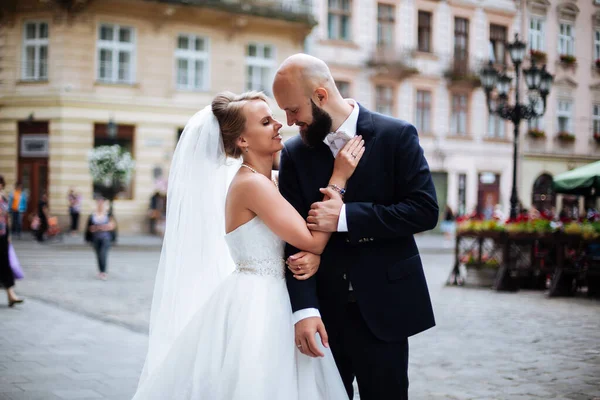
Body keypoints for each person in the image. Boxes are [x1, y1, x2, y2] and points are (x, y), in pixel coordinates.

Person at [133, 92, 365, 399]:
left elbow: (298, 239)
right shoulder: (251, 185)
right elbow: (311, 240)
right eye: (267, 121)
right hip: (260, 304)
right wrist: (338, 178)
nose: (279, 124)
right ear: (242, 140)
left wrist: (313, 256)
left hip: (274, 294)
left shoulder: (271, 180)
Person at [273, 54, 438, 399]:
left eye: (293, 110)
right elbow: (291, 240)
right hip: (325, 314)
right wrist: (303, 310)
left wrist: (345, 218)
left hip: (385, 309)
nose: (289, 122)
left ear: (320, 96)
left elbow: (424, 210)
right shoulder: (294, 153)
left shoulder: (397, 135)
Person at [0, 175, 24, 307]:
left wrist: (8, 235)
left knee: (5, 265)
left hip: (2, 236)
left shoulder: (3, 198)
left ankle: (11, 295)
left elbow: (6, 217)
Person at [85, 197, 116, 281]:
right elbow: (89, 228)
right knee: (98, 255)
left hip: (106, 238)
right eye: (99, 203)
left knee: (103, 254)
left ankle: (103, 272)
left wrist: (101, 227)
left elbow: (112, 226)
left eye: (102, 203)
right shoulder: (93, 215)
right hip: (95, 238)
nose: (100, 205)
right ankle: (100, 270)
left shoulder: (108, 214)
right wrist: (96, 228)